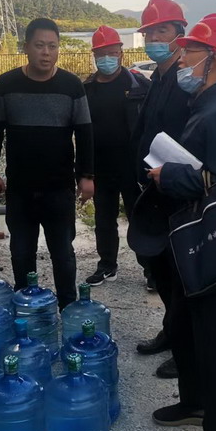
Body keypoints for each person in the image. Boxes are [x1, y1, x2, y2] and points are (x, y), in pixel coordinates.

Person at [146, 14, 216, 431]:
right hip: (193, 244)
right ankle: (194, 402)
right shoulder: (205, 104)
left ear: (215, 59)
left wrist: (168, 175)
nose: (181, 57)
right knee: (186, 327)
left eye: (190, 50)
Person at [0, 18, 94, 310]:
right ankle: (26, 307)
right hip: (20, 187)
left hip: (59, 187)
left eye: (52, 46)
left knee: (63, 254)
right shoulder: (6, 84)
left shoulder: (71, 86)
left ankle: (67, 307)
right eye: (40, 45)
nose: (46, 52)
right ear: (26, 47)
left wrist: (86, 176)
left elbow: (84, 133)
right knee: (21, 252)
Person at [128, 0, 190, 379]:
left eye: (161, 31)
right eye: (149, 32)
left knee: (181, 275)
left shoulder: (185, 81)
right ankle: (171, 331)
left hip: (177, 191)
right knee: (162, 271)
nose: (153, 39)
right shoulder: (158, 78)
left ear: (180, 34)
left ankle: (186, 350)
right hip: (154, 188)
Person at [82, 25, 151, 286]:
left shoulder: (139, 85)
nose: (107, 59)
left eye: (112, 53)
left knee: (140, 218)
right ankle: (107, 266)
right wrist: (84, 172)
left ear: (121, 53)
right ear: (94, 56)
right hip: (101, 167)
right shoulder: (87, 89)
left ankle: (151, 270)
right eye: (101, 54)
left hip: (133, 167)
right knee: (103, 220)